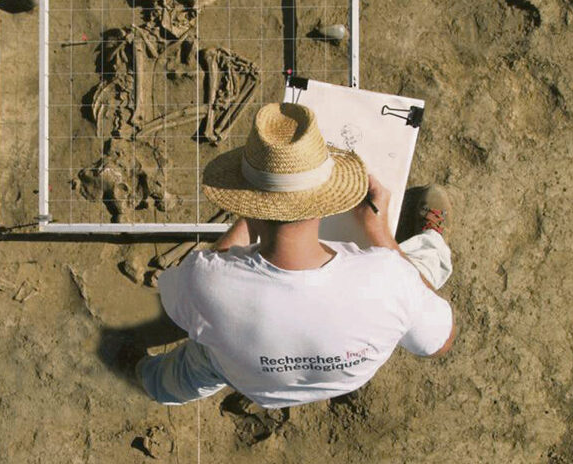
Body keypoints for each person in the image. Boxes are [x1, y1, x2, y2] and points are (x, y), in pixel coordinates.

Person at [135, 103, 455, 409]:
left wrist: (250, 217)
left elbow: (175, 296)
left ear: (247, 201)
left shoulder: (203, 279)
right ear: (330, 194)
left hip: (237, 370)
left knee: (181, 374)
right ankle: (432, 240)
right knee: (420, 270)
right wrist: (380, 232)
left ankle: (145, 381)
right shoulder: (390, 277)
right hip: (342, 377)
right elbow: (440, 343)